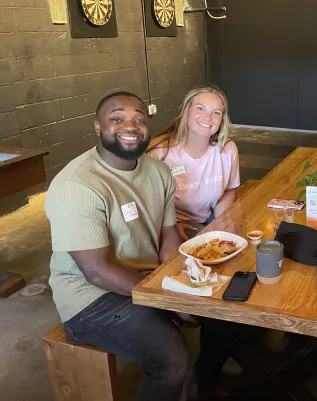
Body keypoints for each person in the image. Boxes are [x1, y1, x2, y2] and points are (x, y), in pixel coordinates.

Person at [45, 91, 190, 401]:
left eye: (139, 119)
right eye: (116, 119)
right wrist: (165, 298)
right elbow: (97, 271)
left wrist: (180, 281)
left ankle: (205, 383)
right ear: (98, 126)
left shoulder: (159, 172)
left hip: (144, 280)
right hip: (89, 298)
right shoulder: (77, 185)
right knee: (170, 359)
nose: (130, 125)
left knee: (227, 309)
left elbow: (168, 236)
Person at [147, 86, 240, 241]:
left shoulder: (227, 149)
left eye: (216, 112)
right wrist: (169, 227)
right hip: (169, 223)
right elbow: (148, 205)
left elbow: (228, 190)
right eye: (200, 108)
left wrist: (223, 223)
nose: (208, 117)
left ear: (222, 119)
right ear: (186, 111)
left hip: (207, 217)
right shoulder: (159, 153)